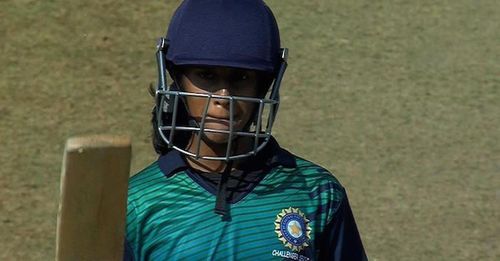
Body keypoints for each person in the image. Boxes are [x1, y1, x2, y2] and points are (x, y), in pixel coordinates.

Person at [124, 0, 367, 260]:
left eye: (241, 78)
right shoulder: (137, 203)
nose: (223, 97)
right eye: (206, 76)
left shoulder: (317, 192)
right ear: (177, 79)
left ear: (264, 87)